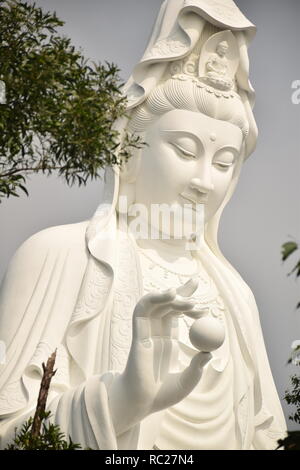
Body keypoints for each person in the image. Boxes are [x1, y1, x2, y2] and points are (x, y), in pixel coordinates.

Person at [0, 0, 287, 450]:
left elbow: (265, 436)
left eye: (225, 162)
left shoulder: (236, 297)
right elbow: (10, 432)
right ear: (128, 154)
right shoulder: (59, 257)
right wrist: (122, 401)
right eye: (186, 151)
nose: (203, 182)